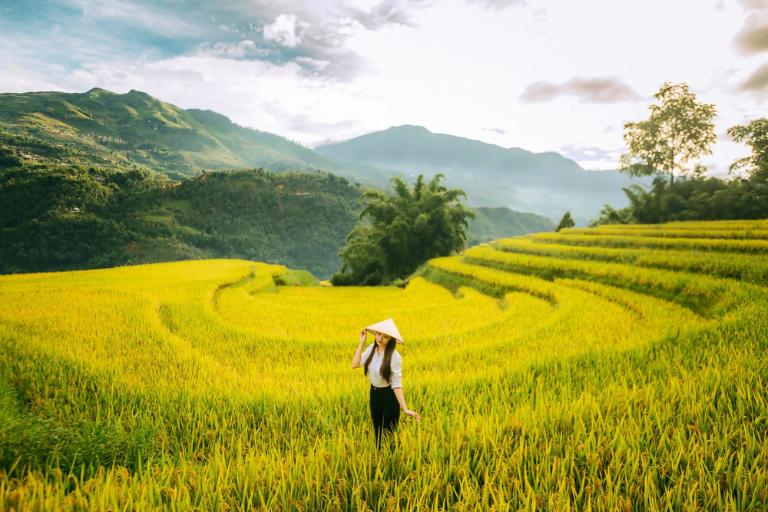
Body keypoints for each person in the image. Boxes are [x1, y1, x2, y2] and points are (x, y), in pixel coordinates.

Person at [351, 317, 420, 448]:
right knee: (377, 431)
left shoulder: (395, 357)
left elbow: (396, 384)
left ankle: (391, 460)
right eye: (378, 334)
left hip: (389, 397)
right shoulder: (372, 348)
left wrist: (404, 408)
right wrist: (362, 343)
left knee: (389, 434)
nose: (380, 338)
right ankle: (379, 459)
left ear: (391, 340)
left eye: (385, 336)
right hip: (374, 394)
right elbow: (354, 364)